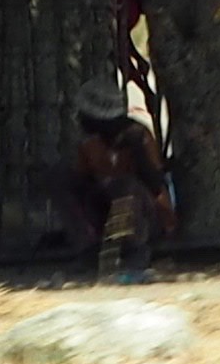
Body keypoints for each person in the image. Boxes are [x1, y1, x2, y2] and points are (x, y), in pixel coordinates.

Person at [69, 85, 172, 282]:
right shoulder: (90, 143)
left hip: (146, 216)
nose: (80, 121)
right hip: (106, 212)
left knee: (124, 185)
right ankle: (88, 249)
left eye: (84, 116)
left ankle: (135, 251)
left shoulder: (139, 136)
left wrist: (138, 152)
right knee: (60, 178)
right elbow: (81, 182)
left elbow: (156, 184)